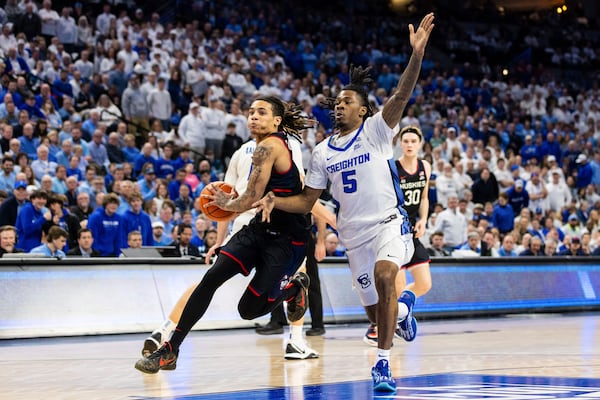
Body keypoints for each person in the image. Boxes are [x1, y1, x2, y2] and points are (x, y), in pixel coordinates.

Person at [253, 13, 435, 393]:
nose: (338, 106)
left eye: (347, 102)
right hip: (352, 236)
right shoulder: (321, 153)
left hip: (387, 223)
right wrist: (274, 198)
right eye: (336, 103)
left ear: (363, 110)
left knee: (388, 278)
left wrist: (415, 55)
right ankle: (402, 310)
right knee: (376, 310)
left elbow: (401, 94)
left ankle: (382, 367)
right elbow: (306, 201)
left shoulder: (377, 131)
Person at [135, 95, 316, 374]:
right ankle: (171, 349)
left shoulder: (271, 147)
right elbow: (248, 199)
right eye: (251, 112)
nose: (253, 116)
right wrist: (225, 222)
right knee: (210, 279)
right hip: (258, 227)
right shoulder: (251, 150)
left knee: (250, 310)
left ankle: (293, 290)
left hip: (288, 239)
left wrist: (223, 204)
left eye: (262, 112)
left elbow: (248, 198)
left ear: (277, 121)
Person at [363, 125, 432, 347]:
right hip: (395, 229)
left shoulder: (425, 167)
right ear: (400, 143)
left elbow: (423, 198)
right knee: (395, 288)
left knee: (424, 284)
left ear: (420, 144)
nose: (410, 144)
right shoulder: (393, 167)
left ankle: (398, 314)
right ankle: (379, 327)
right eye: (406, 141)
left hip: (413, 230)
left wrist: (423, 220)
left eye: (414, 141)